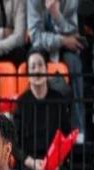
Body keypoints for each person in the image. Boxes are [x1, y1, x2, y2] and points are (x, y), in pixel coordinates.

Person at [13, 48, 72, 170]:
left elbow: (67, 134)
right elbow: (14, 144)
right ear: (28, 73)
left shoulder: (58, 99)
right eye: (32, 67)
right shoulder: (22, 103)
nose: (36, 70)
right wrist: (31, 162)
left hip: (54, 162)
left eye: (39, 65)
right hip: (31, 162)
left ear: (46, 69)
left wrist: (57, 160)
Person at [27, 0, 86, 140]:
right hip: (42, 46)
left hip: (65, 48)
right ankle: (31, 128)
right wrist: (62, 40)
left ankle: (78, 129)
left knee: (75, 63)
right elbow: (35, 37)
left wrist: (56, 15)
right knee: (33, 61)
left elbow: (74, 34)